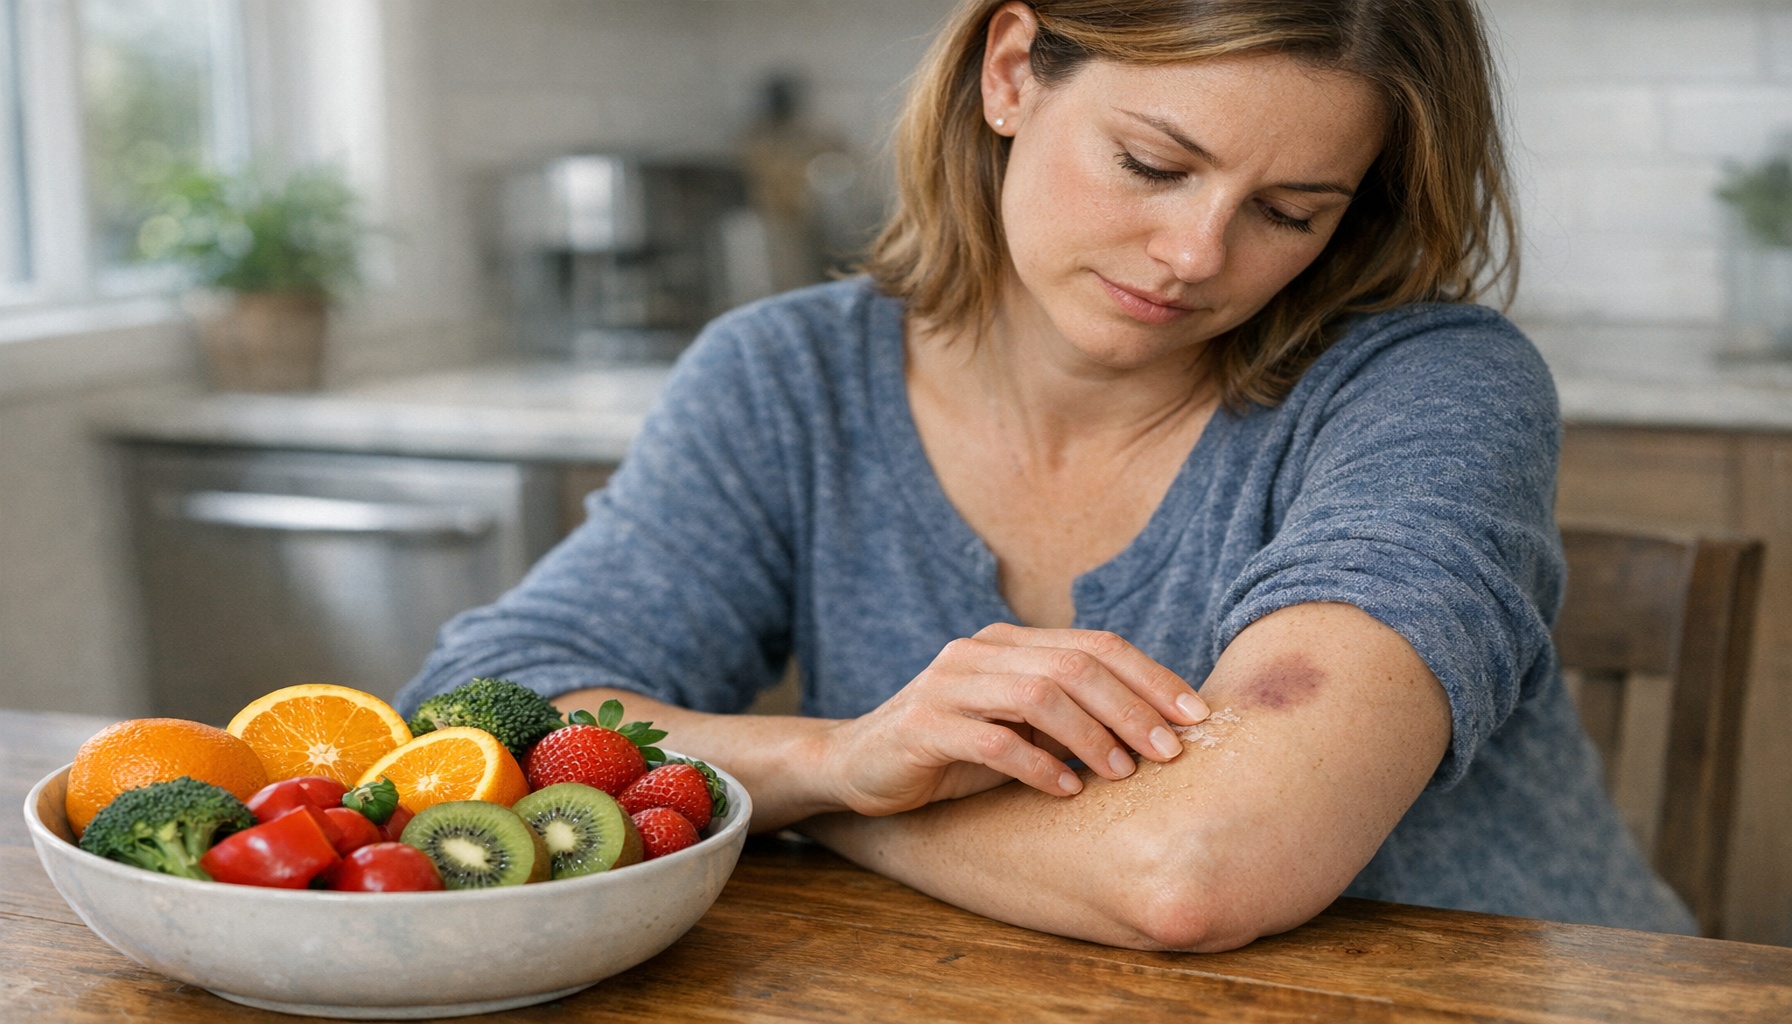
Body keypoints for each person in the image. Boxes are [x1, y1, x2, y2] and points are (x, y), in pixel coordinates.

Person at [398, 0, 1696, 949]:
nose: (1195, 252)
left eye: (1290, 211)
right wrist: (835, 753)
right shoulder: (790, 376)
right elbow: (475, 718)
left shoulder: (1426, 385)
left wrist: (816, 803)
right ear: (1012, 71)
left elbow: (1194, 871)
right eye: (1154, 163)